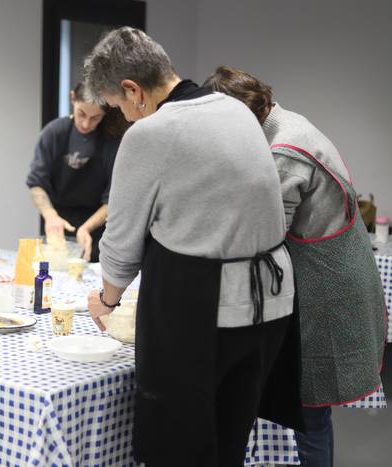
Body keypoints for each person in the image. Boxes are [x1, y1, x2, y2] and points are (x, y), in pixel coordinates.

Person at [84, 27, 304, 467]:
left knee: (180, 449)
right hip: (270, 306)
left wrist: (106, 301)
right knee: (229, 445)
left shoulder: (150, 134)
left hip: (207, 311)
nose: (124, 118)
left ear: (134, 90)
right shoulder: (233, 109)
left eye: (118, 107)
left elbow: (121, 242)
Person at [203, 66, 387, 467]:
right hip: (333, 274)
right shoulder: (285, 121)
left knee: (310, 411)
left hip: (328, 288)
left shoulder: (283, 150)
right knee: (309, 409)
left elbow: (267, 233)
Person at [26, 82, 124, 262]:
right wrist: (50, 215)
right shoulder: (54, 133)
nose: (86, 123)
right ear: (73, 99)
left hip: (96, 226)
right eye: (82, 114)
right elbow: (36, 183)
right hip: (57, 222)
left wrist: (86, 228)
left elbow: (113, 199)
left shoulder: (111, 142)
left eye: (95, 118)